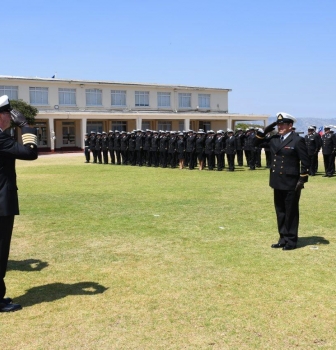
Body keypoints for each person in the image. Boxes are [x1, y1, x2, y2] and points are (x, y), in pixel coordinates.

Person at [0, 95, 38, 312]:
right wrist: (25, 126)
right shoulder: (0, 139)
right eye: (7, 113)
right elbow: (30, 153)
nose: (10, 117)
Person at [254, 112, 310, 250]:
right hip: (277, 181)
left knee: (291, 212)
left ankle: (291, 240)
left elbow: (305, 161)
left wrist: (302, 180)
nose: (280, 127)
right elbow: (255, 142)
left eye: (283, 124)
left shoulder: (297, 140)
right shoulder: (274, 139)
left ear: (290, 125)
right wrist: (267, 128)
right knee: (280, 211)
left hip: (291, 182)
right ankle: (282, 238)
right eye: (278, 124)